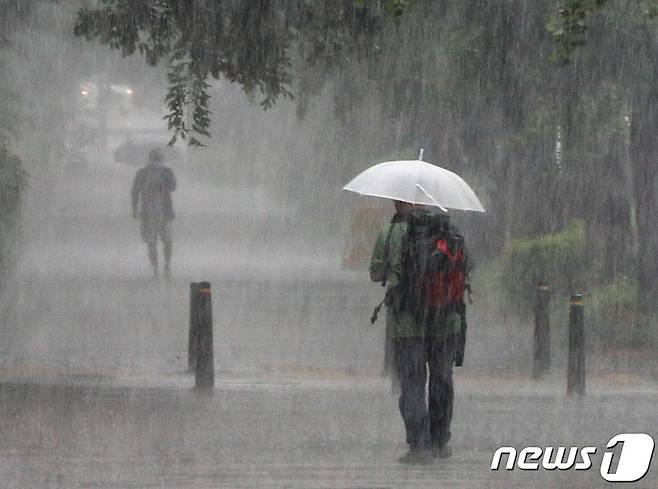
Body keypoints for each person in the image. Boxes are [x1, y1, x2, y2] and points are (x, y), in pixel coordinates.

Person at [369, 200, 466, 464]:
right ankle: (439, 441)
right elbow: (467, 268)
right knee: (441, 381)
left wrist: (395, 269)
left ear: (398, 203)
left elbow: (375, 273)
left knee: (412, 383)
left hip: (407, 324)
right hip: (444, 321)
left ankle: (420, 445)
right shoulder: (448, 232)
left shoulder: (391, 233)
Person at [131, 148, 176, 279]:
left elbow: (134, 192)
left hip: (148, 211)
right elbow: (173, 187)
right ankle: (166, 266)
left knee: (152, 242)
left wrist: (134, 208)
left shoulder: (142, 172)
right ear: (161, 158)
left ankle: (156, 270)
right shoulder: (166, 171)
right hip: (164, 211)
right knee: (167, 240)